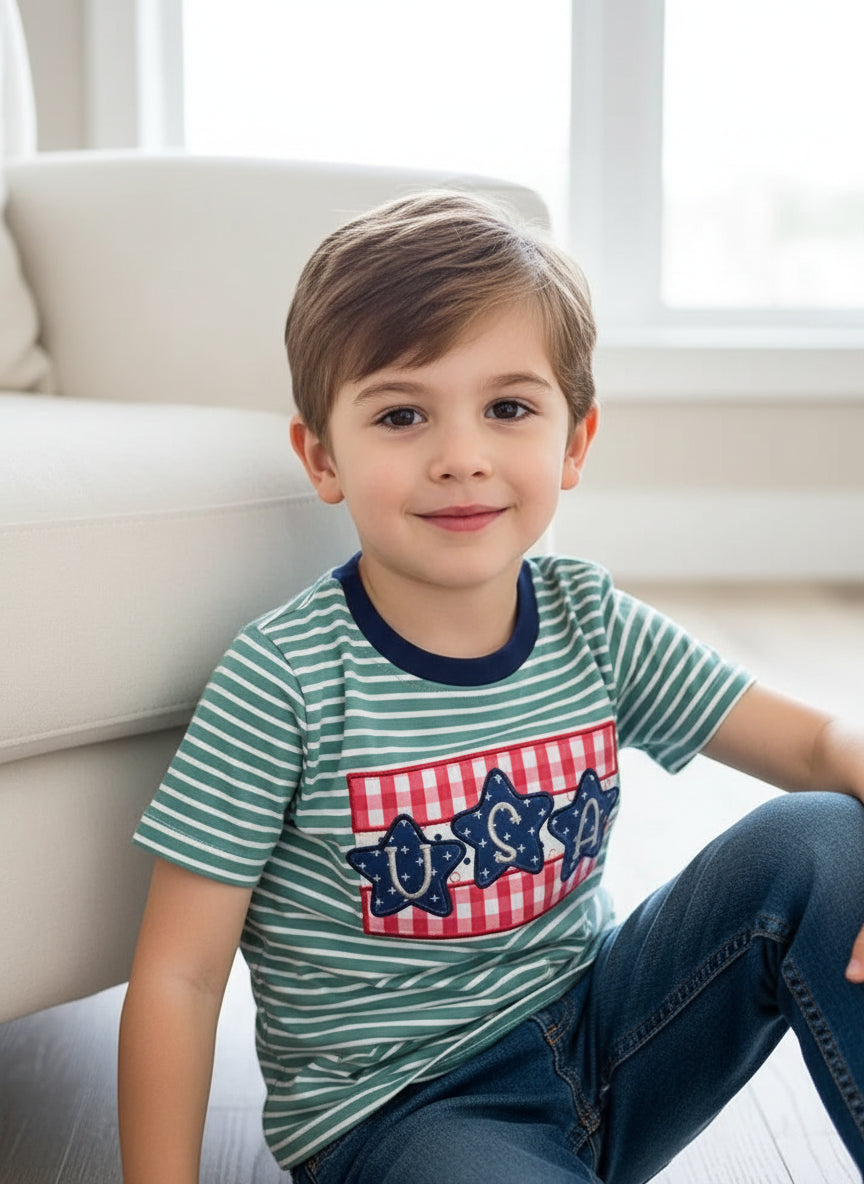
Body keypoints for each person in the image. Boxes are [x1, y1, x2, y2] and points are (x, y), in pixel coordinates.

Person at [118, 190, 864, 1184]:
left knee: (827, 838)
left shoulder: (590, 620)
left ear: (574, 441)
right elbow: (179, 974)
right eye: (402, 414)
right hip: (407, 1114)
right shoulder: (282, 680)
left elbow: (813, 744)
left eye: (508, 408)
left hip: (608, 1037)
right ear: (323, 456)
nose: (460, 457)